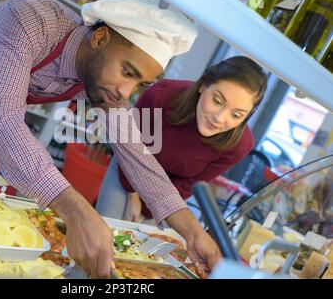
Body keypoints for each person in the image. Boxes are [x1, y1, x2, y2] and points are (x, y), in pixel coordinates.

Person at [0, 0, 220, 278]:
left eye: (140, 84)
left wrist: (193, 232)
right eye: (127, 72)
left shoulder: (104, 79)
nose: (125, 91)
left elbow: (136, 152)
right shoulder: (32, 19)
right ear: (100, 38)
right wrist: (76, 210)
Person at [96, 56, 267, 224]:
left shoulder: (239, 145)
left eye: (236, 115)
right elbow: (129, 147)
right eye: (217, 101)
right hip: (128, 170)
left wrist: (148, 212)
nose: (219, 118)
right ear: (203, 85)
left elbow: (189, 185)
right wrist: (132, 194)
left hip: (168, 196)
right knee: (103, 234)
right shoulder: (161, 96)